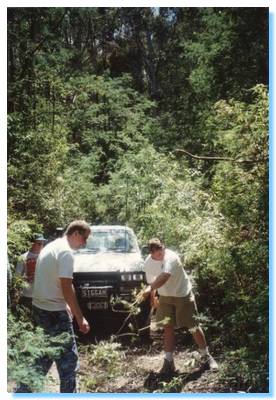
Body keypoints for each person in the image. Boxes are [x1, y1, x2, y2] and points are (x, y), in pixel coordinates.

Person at [17, 220, 91, 393]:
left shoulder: (52, 246)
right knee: (69, 364)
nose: (84, 243)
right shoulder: (65, 253)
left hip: (40, 308)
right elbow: (66, 287)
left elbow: (64, 282)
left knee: (44, 355)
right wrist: (80, 318)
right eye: (84, 239)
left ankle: (22, 392)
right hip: (54, 312)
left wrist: (69, 307)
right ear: (76, 234)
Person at [143, 238, 218, 374]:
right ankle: (168, 362)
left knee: (193, 325)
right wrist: (153, 297)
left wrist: (150, 288)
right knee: (167, 327)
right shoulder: (148, 263)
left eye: (159, 248)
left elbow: (164, 276)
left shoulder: (171, 257)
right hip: (165, 297)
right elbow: (152, 281)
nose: (158, 252)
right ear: (150, 252)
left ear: (163, 247)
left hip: (183, 294)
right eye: (154, 250)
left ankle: (206, 357)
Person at [15, 233, 46, 311]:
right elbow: (17, 277)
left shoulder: (46, 257)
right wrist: (17, 293)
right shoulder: (23, 257)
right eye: (39, 243)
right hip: (27, 295)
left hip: (43, 296)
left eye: (42, 244)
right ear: (32, 243)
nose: (41, 246)